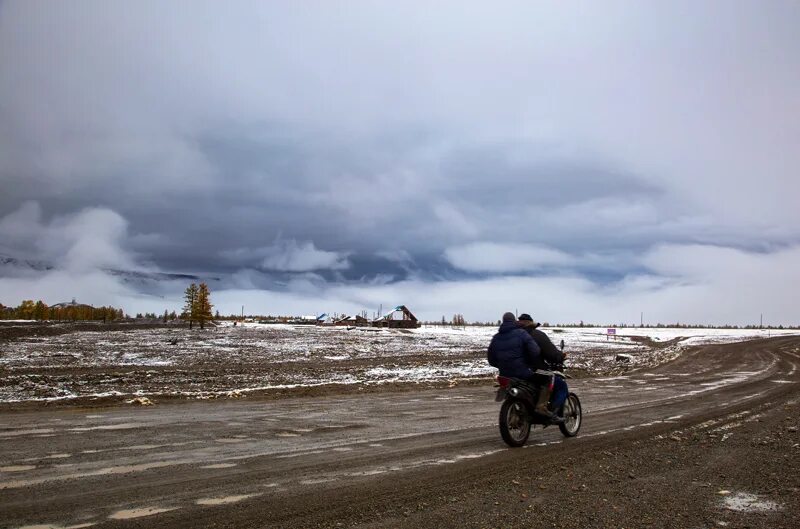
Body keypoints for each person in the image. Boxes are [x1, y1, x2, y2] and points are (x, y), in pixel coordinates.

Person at [487, 312, 563, 423]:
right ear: (514, 321)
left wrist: (503, 364)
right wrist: (530, 361)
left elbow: (491, 359)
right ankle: (541, 407)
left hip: (504, 374)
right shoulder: (521, 334)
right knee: (548, 378)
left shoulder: (496, 337)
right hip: (522, 372)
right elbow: (535, 351)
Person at [517, 313, 569, 417]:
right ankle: (546, 409)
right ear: (531, 324)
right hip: (532, 370)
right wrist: (560, 357)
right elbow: (550, 352)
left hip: (511, 370)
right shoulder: (536, 335)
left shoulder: (511, 334)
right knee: (558, 383)